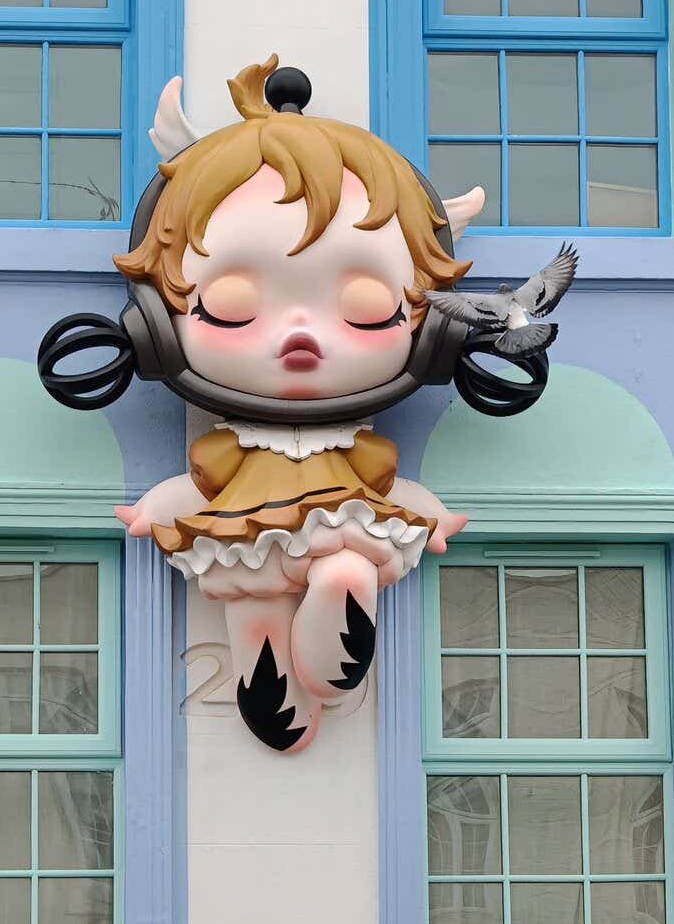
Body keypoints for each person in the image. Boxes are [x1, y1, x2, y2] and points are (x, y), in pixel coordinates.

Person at [109, 57, 480, 753]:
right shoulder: (236, 446)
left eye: (366, 307)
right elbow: (198, 486)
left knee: (339, 564)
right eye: (232, 304)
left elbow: (387, 488)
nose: (301, 336)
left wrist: (428, 513)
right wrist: (155, 509)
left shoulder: (351, 447)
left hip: (336, 525)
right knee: (251, 608)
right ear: (157, 326)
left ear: (432, 333)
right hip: (241, 533)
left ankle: (338, 612)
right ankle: (270, 682)